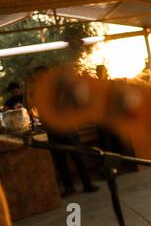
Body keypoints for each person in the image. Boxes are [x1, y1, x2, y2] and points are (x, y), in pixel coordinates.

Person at [31, 66, 100, 198]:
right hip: (52, 130)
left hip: (67, 128)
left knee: (78, 157)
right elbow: (35, 109)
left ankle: (87, 183)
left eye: (42, 75)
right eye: (38, 76)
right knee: (60, 161)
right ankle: (69, 187)